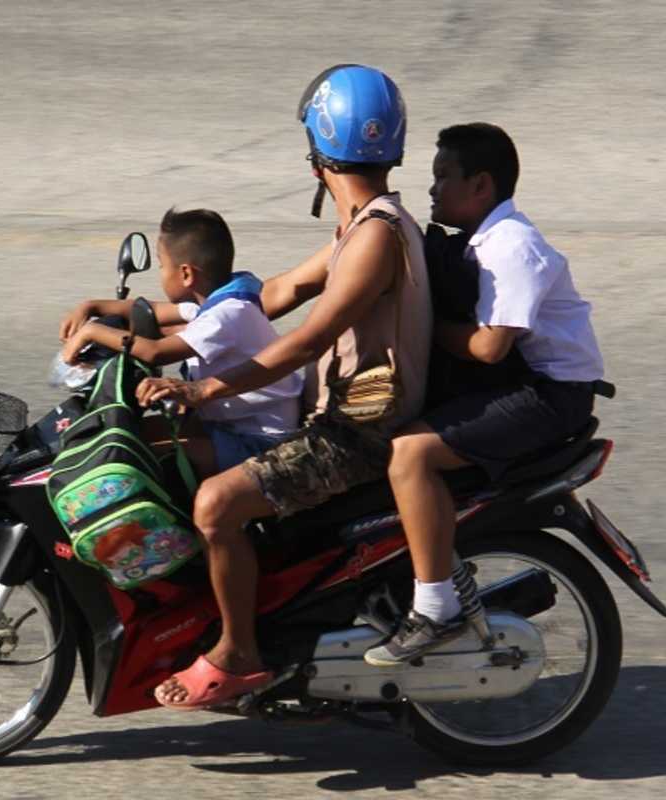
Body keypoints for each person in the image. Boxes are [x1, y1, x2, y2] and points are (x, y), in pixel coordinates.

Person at [136, 64, 432, 709]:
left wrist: (202, 389)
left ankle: (239, 653)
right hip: (339, 418)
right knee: (174, 449)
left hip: (355, 435)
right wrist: (136, 316)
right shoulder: (366, 225)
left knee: (215, 504)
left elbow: (304, 341)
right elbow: (276, 294)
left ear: (317, 153)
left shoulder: (374, 239)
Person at [364, 122, 605, 666]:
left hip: (550, 395)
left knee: (411, 454)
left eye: (443, 176)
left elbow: (490, 346)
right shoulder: (478, 241)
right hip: (521, 382)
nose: (431, 190)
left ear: (481, 186)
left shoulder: (513, 246)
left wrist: (419, 326)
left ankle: (435, 608)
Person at [59, 207, 303, 478]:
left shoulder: (228, 314)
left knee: (137, 460)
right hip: (228, 425)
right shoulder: (216, 300)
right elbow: (150, 310)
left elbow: (155, 352)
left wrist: (91, 332)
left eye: (162, 266)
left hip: (260, 442)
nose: (161, 273)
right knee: (129, 435)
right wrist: (92, 306)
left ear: (186, 274)